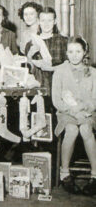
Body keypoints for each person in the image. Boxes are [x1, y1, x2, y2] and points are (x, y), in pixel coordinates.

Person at [52, 36, 96, 196]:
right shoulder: (59, 72)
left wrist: (85, 108)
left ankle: (95, 174)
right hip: (66, 113)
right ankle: (65, 173)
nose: (74, 55)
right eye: (70, 51)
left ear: (85, 52)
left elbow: (95, 99)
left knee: (85, 129)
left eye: (78, 51)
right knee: (71, 130)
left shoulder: (92, 72)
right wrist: (72, 110)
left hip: (87, 112)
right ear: (66, 53)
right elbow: (56, 100)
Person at [25, 7, 68, 91]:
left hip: (59, 86)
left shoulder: (64, 41)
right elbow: (26, 71)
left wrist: (51, 68)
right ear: (38, 22)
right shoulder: (30, 44)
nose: (46, 24)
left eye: (49, 20)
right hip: (36, 89)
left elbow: (69, 65)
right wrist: (29, 56)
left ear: (55, 22)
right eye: (43, 20)